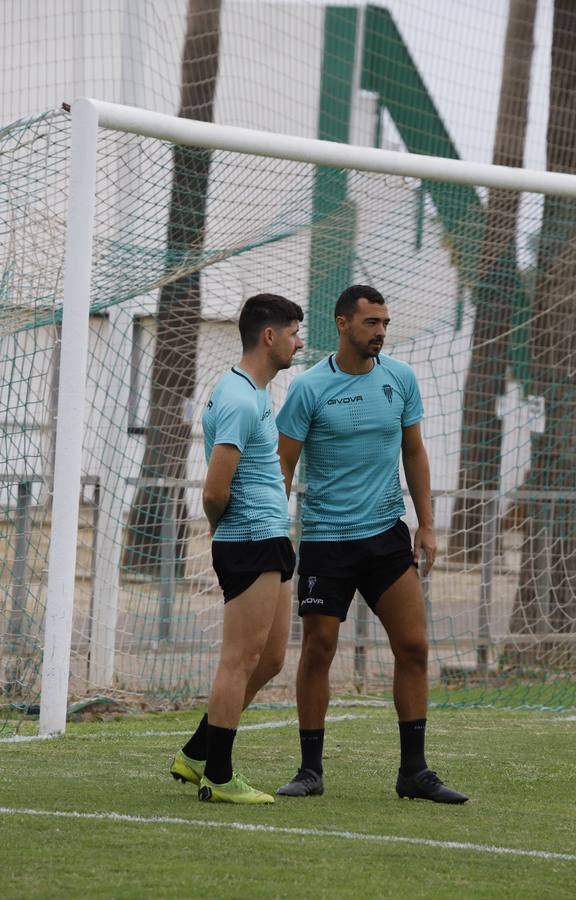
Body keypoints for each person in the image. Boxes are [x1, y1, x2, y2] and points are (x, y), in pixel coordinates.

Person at [275, 285, 468, 804]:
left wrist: (427, 525)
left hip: (386, 536)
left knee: (414, 647)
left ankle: (414, 773)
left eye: (385, 323)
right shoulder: (309, 389)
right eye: (371, 323)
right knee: (318, 651)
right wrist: (275, 533)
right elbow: (283, 467)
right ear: (342, 324)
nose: (380, 332)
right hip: (325, 540)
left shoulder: (400, 379)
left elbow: (415, 451)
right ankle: (310, 771)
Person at [170, 293, 304, 804]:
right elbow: (214, 491)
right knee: (239, 659)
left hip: (270, 538)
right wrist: (224, 532)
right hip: (248, 540)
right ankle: (219, 776)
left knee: (268, 660)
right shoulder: (240, 398)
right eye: (293, 331)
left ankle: (196, 752)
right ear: (269, 336)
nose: (299, 341)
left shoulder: (253, 392)